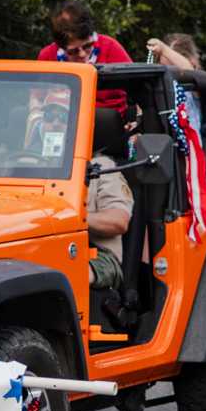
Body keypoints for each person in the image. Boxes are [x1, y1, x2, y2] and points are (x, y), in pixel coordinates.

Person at [40, 0, 133, 113]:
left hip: (106, 119)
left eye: (87, 46)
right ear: (61, 48)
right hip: (62, 120)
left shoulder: (110, 47)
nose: (83, 54)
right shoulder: (47, 56)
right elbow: (37, 97)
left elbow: (138, 88)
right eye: (73, 51)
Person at [85, 109, 134, 295]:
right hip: (44, 252)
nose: (56, 123)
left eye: (62, 118)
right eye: (49, 116)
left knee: (65, 273)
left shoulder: (103, 167)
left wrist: (75, 219)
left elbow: (119, 221)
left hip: (99, 256)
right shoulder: (30, 166)